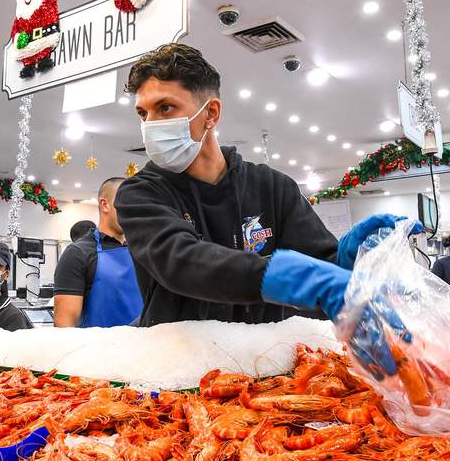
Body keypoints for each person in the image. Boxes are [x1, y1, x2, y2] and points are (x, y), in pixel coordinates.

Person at [115, 43, 424, 381]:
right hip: (177, 379)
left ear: (211, 113)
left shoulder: (273, 187)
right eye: (143, 113)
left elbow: (322, 275)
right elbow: (182, 261)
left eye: (165, 108)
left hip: (262, 375)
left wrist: (348, 258)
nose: (150, 125)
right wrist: (287, 276)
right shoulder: (140, 194)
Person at [53, 178, 143, 328]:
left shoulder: (142, 250)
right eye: (127, 202)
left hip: (143, 346)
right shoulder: (77, 254)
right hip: (97, 349)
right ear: (105, 205)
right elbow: (64, 327)